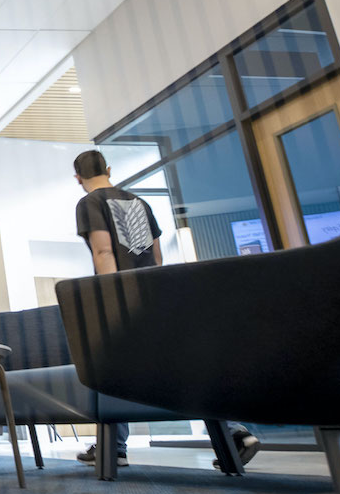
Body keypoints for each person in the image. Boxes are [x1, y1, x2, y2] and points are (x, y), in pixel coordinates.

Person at [68, 150, 261, 470]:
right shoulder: (138, 202)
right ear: (109, 169)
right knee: (179, 367)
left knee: (112, 369)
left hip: (123, 296)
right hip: (154, 292)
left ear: (78, 178)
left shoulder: (90, 203)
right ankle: (235, 434)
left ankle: (114, 449)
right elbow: (155, 255)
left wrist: (110, 297)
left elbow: (103, 251)